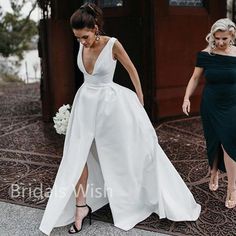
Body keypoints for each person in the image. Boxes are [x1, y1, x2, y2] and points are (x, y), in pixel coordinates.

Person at [40, 3, 201, 235]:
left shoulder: (112, 44)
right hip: (85, 104)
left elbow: (131, 69)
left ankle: (133, 198)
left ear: (95, 28)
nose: (82, 42)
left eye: (85, 36)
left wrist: (140, 98)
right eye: (77, 39)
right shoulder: (82, 43)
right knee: (77, 156)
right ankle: (80, 208)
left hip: (110, 107)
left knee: (121, 154)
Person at [182, 18, 236, 209]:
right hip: (211, 103)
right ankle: (213, 171)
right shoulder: (206, 54)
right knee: (214, 140)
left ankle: (232, 187)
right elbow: (195, 77)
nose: (220, 42)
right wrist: (187, 98)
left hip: (232, 104)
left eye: (224, 39)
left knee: (229, 143)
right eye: (217, 38)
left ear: (232, 36)